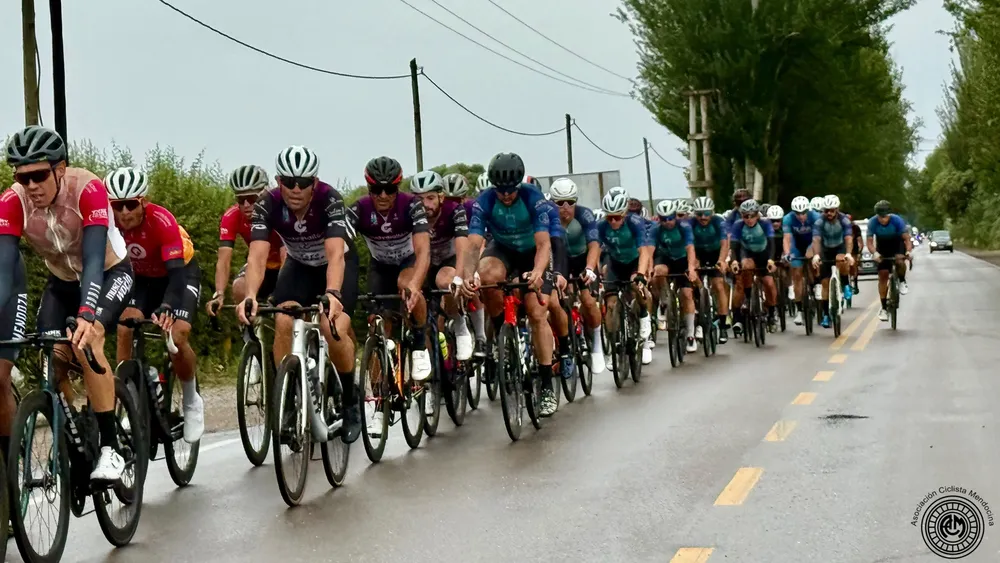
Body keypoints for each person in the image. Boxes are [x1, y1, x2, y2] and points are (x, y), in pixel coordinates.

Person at [0, 126, 131, 482]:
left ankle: (110, 449)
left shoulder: (87, 189)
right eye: (22, 177)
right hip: (61, 283)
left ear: (59, 169)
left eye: (39, 175)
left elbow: (92, 261)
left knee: (88, 340)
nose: (31, 187)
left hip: (108, 274)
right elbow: (5, 271)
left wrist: (88, 314)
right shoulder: (12, 202)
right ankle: (74, 429)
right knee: (52, 360)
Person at [237, 146, 362, 443]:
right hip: (299, 265)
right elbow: (256, 256)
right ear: (279, 181)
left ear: (314, 183)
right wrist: (251, 294)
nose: (296, 189)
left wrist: (332, 293)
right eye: (289, 182)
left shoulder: (330, 199)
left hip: (335, 264)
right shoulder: (267, 203)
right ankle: (289, 399)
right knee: (283, 319)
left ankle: (350, 401)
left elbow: (335, 255)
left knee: (331, 328)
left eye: (303, 182)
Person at [106, 167, 205, 444]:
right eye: (117, 206)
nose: (124, 212)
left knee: (177, 335)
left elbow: (175, 277)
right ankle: (130, 400)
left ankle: (190, 399)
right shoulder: (108, 226)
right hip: (141, 280)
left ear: (144, 201)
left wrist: (167, 306)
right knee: (126, 324)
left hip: (178, 274)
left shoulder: (162, 221)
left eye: (130, 204)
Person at [461, 153, 562, 416]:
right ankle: (500, 338)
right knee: (486, 275)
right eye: (501, 190)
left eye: (510, 190)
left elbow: (543, 244)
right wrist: (464, 277)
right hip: (503, 249)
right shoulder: (483, 202)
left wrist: (539, 271)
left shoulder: (533, 199)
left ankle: (548, 385)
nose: (506, 195)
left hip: (532, 253)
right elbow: (473, 245)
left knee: (537, 311)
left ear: (519, 184)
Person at [348, 156, 433, 387]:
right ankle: (378, 395)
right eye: (377, 189)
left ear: (398, 187)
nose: (383, 195)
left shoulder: (411, 204)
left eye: (389, 189)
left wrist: (416, 283)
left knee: (407, 285)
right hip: (380, 266)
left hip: (408, 261)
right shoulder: (359, 209)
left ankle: (418, 342)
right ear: (369, 188)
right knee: (376, 327)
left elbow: (424, 251)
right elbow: (339, 245)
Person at [410, 171, 473, 361]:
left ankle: (461, 326)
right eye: (419, 199)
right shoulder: (410, 213)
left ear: (441, 197)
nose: (425, 205)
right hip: (424, 262)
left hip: (449, 260)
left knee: (446, 281)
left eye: (430, 198)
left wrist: (459, 277)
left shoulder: (455, 210)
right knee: (426, 320)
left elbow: (463, 248)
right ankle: (431, 367)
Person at [206, 165, 285, 316]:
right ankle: (249, 331)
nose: (246, 205)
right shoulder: (232, 217)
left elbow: (286, 256)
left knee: (291, 301)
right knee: (239, 286)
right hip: (262, 264)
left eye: (252, 199)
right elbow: (223, 260)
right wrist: (219, 294)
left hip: (286, 264)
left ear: (265, 193)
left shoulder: (279, 212)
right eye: (241, 200)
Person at [550, 177, 604, 373]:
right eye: (559, 203)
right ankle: (561, 348)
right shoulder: (548, 217)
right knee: (553, 303)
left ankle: (597, 345)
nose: (565, 207)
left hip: (582, 259)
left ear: (576, 202)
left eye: (570, 202)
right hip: (561, 260)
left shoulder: (585, 215)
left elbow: (594, 245)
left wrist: (590, 268)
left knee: (588, 301)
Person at [596, 189, 655, 365]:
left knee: (637, 287)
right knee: (611, 303)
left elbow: (644, 252)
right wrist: (593, 270)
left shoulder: (635, 222)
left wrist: (641, 274)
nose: (613, 221)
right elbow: (595, 251)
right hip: (615, 263)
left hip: (634, 262)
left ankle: (644, 323)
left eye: (617, 217)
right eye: (609, 217)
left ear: (624, 214)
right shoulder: (601, 226)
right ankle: (615, 347)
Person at [443, 172, 487, 353]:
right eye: (448, 199)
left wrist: (474, 270)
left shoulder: (472, 207)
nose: (453, 204)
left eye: (457, 199)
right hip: (449, 253)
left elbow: (480, 242)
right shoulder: (441, 211)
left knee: (472, 287)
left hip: (470, 250)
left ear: (464, 197)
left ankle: (481, 336)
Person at [651, 200, 698, 353]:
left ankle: (691, 335)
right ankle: (664, 302)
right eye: (664, 219)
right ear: (659, 219)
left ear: (675, 217)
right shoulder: (655, 230)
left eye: (670, 218)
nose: (668, 222)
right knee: (657, 271)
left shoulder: (684, 227)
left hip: (683, 260)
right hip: (665, 259)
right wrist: (648, 269)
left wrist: (691, 269)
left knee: (686, 294)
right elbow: (649, 251)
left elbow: (690, 248)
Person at [729, 199, 778, 333]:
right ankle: (747, 298)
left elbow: (772, 243)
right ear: (742, 216)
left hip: (763, 253)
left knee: (769, 282)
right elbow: (734, 246)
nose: (749, 219)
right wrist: (734, 261)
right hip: (747, 253)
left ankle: (772, 312)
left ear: (757, 215)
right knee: (745, 267)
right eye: (745, 216)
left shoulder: (765, 223)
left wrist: (771, 260)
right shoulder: (738, 225)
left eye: (752, 215)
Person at [690, 196, 731, 342]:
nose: (703, 217)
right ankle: (698, 310)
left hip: (715, 253)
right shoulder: (691, 223)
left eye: (706, 213)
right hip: (698, 253)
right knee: (693, 281)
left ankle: (723, 323)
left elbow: (725, 243)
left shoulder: (719, 222)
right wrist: (693, 262)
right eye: (699, 214)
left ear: (712, 212)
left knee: (719, 285)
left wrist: (721, 261)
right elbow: (689, 245)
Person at [810, 194, 854, 328]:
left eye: (832, 210)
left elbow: (848, 238)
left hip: (839, 246)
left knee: (842, 259)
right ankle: (825, 314)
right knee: (824, 284)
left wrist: (848, 253)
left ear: (837, 209)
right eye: (826, 211)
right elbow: (816, 240)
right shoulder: (819, 222)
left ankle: (846, 284)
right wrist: (816, 255)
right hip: (825, 249)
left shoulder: (844, 220)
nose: (829, 213)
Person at [866, 200, 912, 321]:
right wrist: (875, 253)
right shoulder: (872, 222)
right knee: (883, 274)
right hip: (882, 246)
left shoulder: (897, 220)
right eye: (880, 217)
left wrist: (907, 252)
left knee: (899, 261)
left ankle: (902, 280)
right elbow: (870, 243)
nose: (883, 219)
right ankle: (884, 307)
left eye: (885, 216)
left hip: (897, 244)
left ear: (889, 214)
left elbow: (907, 239)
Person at [782, 196, 821, 326]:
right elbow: (787, 238)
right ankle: (799, 310)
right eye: (798, 213)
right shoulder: (788, 219)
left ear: (807, 210)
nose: (801, 216)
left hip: (811, 242)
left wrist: (813, 251)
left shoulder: (815, 216)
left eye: (803, 212)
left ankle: (816, 284)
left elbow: (817, 237)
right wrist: (787, 254)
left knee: (812, 261)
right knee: (797, 275)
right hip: (796, 246)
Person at [765, 204, 786, 331]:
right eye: (773, 221)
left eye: (778, 220)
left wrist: (786, 255)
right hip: (768, 257)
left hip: (780, 255)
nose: (776, 223)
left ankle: (787, 289)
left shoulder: (784, 230)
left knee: (783, 273)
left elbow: (788, 243)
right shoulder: (765, 230)